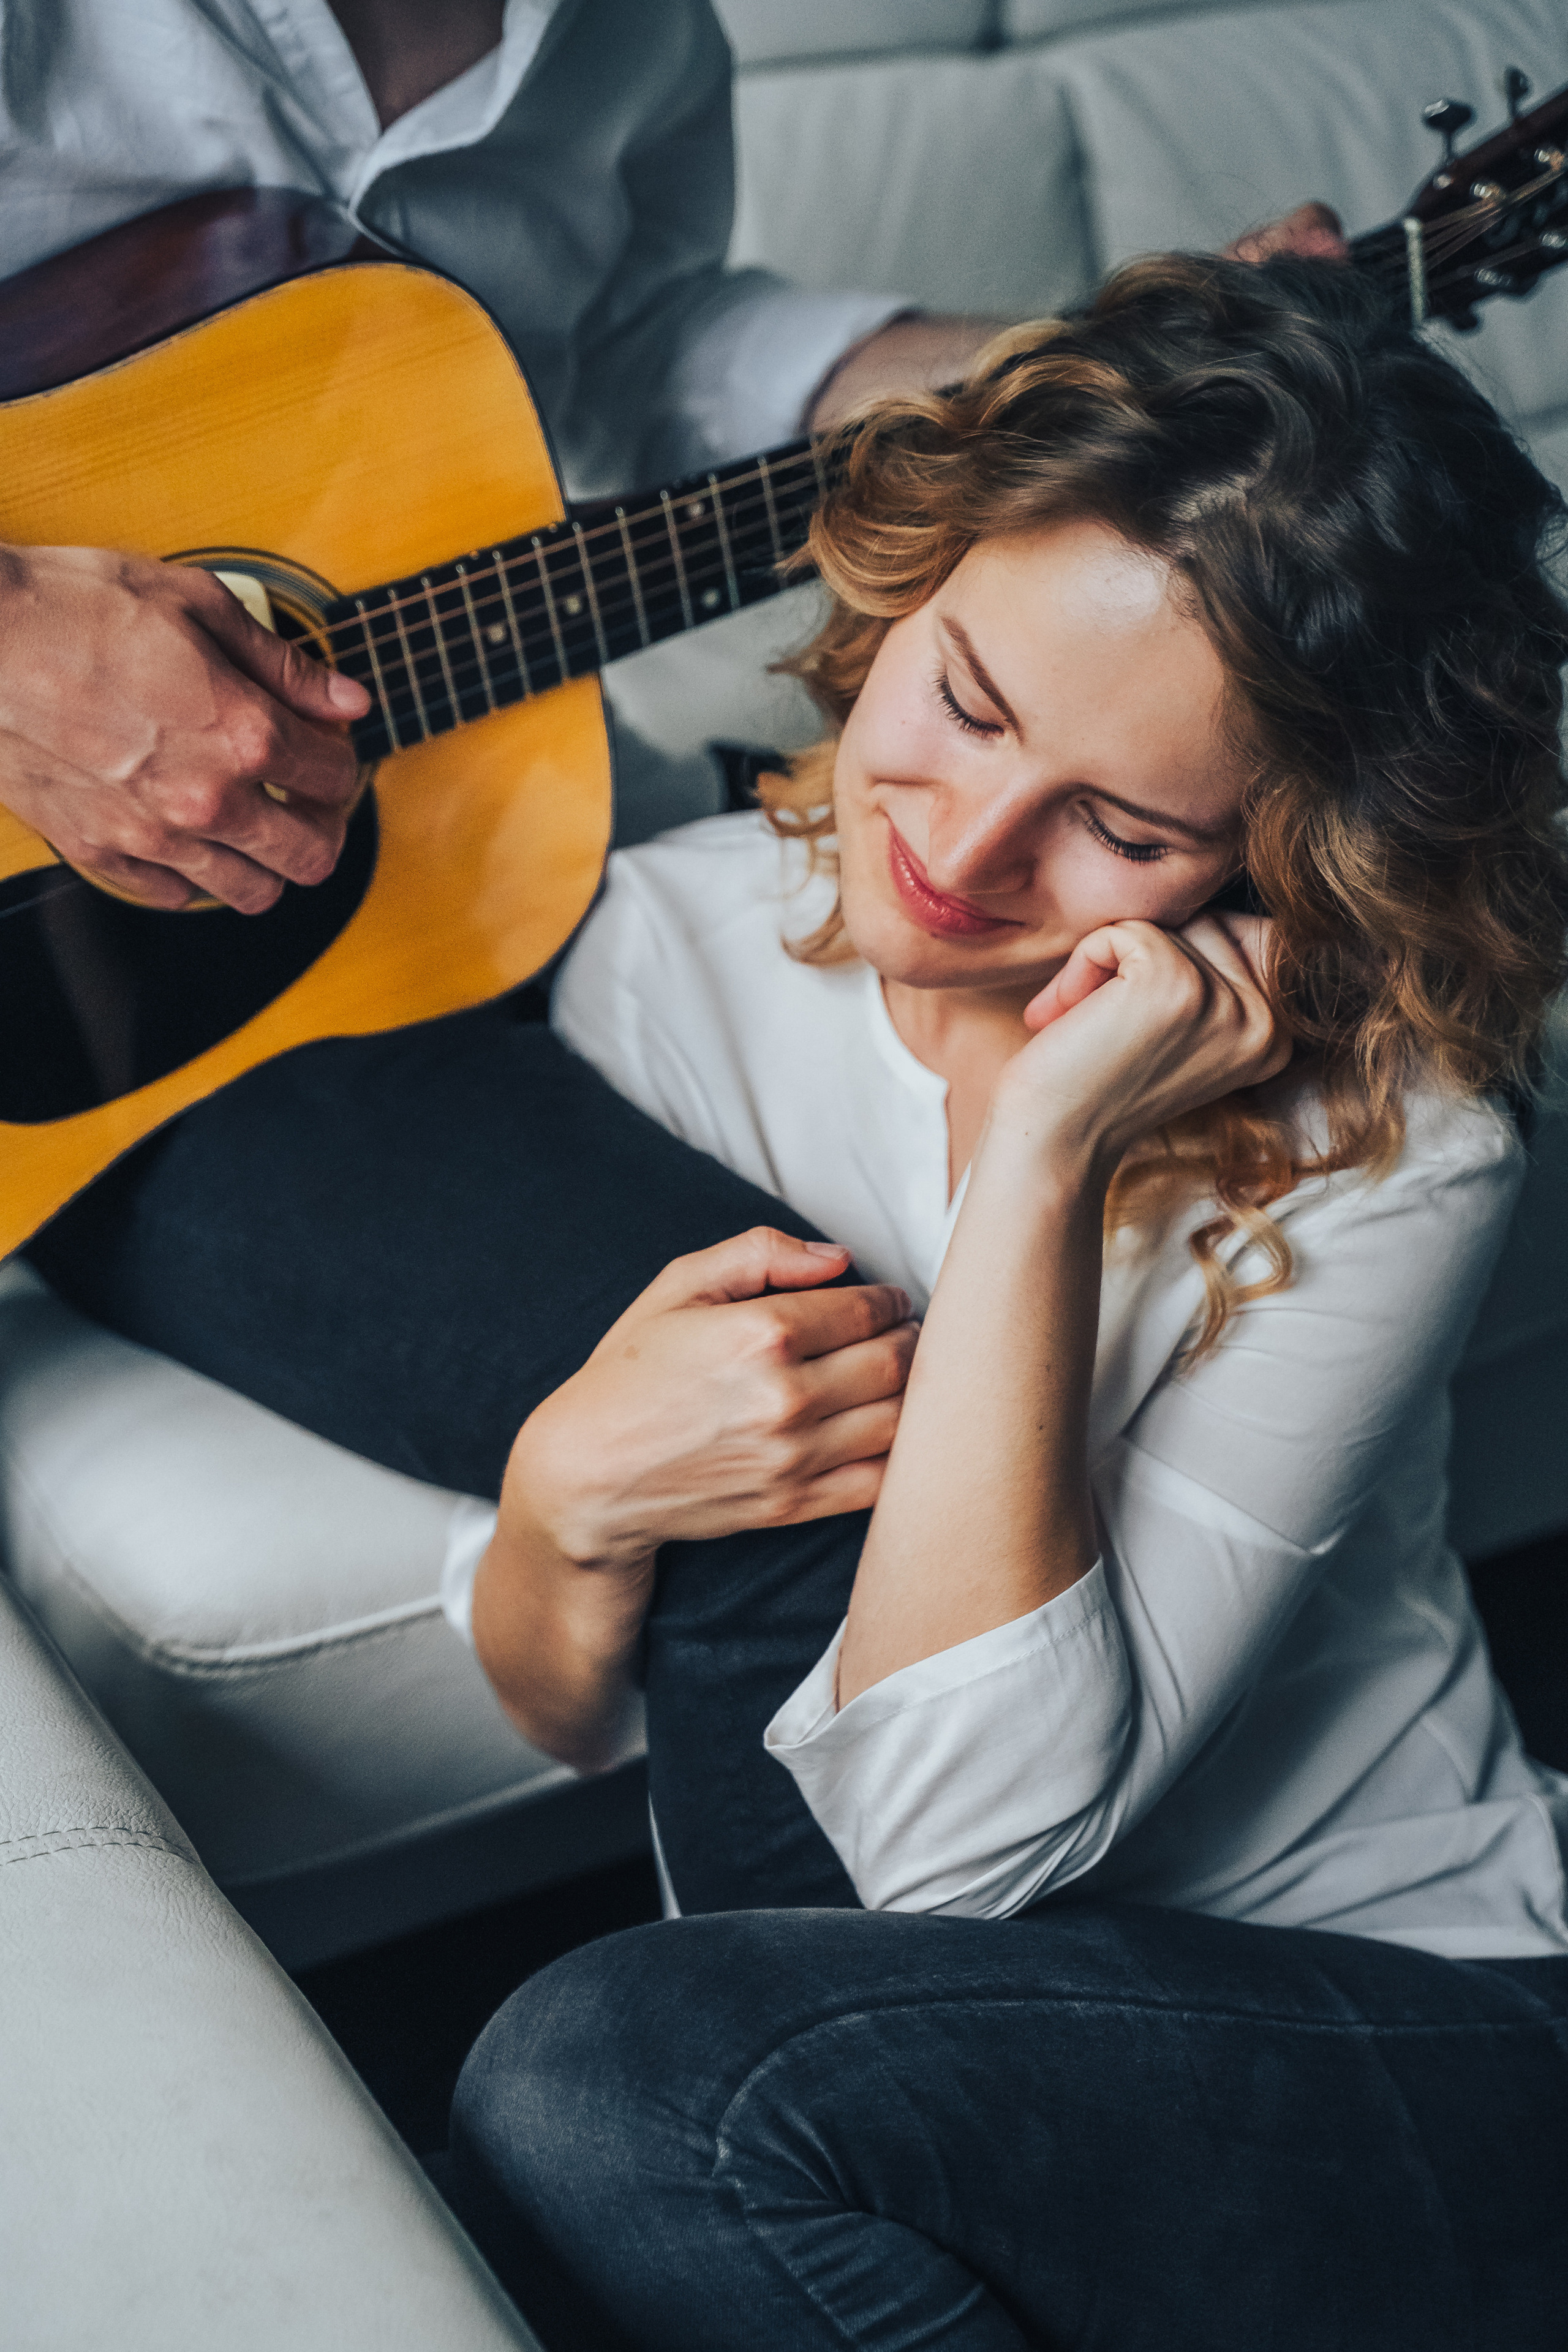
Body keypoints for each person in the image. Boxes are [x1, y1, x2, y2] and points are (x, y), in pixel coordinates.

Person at [396, 257, 1568, 2348]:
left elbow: (953, 1862)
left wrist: (1041, 1153)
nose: (965, 853)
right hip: (904, 2066)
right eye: (962, 700)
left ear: (1279, 867)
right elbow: (570, 1712)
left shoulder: (1406, 1132)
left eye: (1120, 825)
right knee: (596, 2109)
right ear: (906, 571)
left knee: (621, 2086)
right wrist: (568, 1498)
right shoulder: (653, 966)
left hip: (1411, 2013)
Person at [0, 0, 1344, 910]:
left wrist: (1086, 369)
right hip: (114, 976)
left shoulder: (635, 35)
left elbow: (636, 351)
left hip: (488, 835)